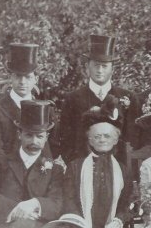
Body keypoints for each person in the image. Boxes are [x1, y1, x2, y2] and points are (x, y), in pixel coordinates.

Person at [58, 34, 138, 165]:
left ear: (112, 69)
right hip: (82, 167)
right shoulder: (72, 99)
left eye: (104, 66)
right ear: (88, 67)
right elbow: (66, 139)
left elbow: (132, 138)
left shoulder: (128, 97)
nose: (99, 70)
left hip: (119, 169)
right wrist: (75, 166)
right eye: (96, 65)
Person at [0, 43, 48, 168]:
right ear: (10, 77)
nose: (22, 82)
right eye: (18, 76)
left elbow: (49, 149)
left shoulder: (45, 110)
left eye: (27, 77)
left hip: (37, 177)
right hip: (5, 175)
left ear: (36, 79)